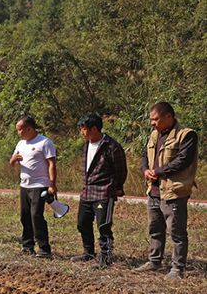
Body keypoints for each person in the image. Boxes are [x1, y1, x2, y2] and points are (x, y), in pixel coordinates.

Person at [135, 102, 198, 279]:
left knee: (176, 232)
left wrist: (158, 172)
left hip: (173, 191)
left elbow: (182, 160)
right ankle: (154, 261)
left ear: (168, 117)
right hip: (154, 190)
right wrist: (145, 170)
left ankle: (178, 268)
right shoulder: (154, 135)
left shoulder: (186, 135)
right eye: (151, 120)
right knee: (154, 228)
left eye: (155, 119)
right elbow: (144, 156)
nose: (152, 123)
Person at [70, 113, 127, 268]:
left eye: (84, 129)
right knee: (82, 223)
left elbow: (121, 170)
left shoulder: (111, 146)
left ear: (94, 129)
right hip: (87, 192)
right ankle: (88, 252)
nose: (82, 133)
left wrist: (116, 188)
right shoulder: (87, 144)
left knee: (103, 225)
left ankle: (106, 257)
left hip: (103, 192)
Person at [9, 116, 57, 258]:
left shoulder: (45, 142)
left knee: (36, 215)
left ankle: (44, 249)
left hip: (40, 185)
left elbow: (52, 164)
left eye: (20, 129)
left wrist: (52, 184)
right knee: (25, 216)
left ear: (29, 128)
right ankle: (27, 246)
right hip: (24, 185)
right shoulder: (20, 144)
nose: (18, 132)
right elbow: (12, 162)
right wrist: (13, 160)